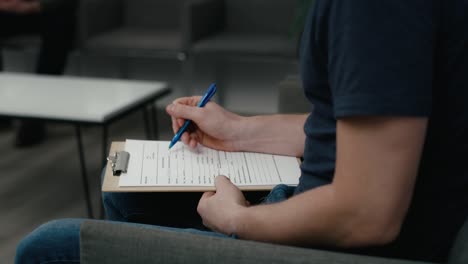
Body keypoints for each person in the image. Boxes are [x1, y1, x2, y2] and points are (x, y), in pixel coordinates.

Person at [14, 0, 468, 263]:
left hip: (344, 248)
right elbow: (351, 135)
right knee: (126, 194)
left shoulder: (376, 10)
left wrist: (238, 220)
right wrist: (238, 130)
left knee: (48, 248)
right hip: (335, 212)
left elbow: (366, 214)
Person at [0, 0, 77, 147]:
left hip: (47, 10)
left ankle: (34, 117)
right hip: (9, 9)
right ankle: (3, 112)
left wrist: (37, 6)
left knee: (61, 20)